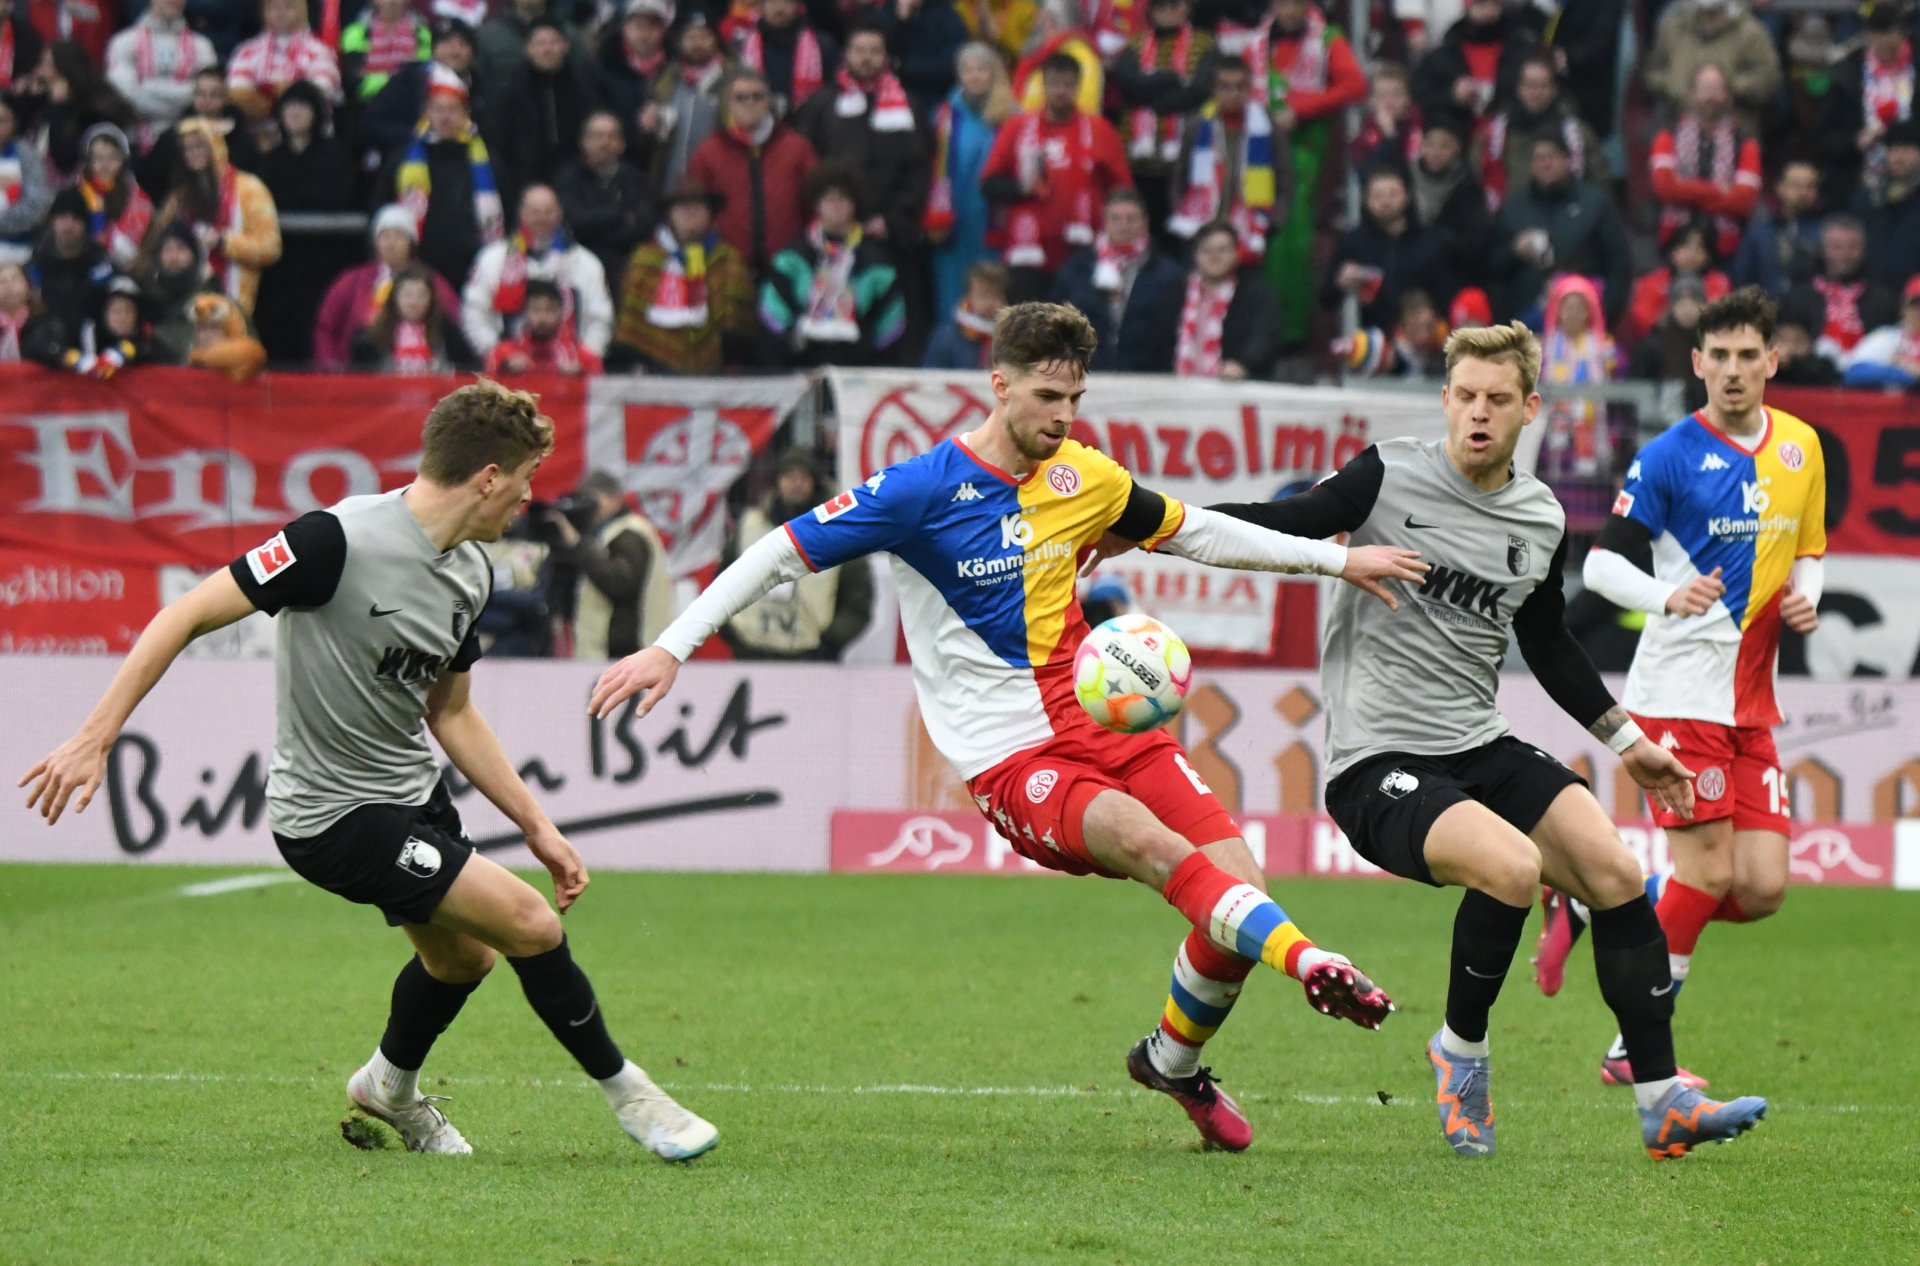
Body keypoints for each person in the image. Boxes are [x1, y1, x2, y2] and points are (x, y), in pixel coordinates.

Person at [588, 302, 1423, 1153]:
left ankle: (1172, 1060)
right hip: (1012, 756)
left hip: (1107, 722)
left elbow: (1197, 534)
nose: (1064, 417)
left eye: (1076, 398)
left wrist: (1338, 560)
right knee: (1154, 849)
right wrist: (671, 647)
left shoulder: (1084, 476)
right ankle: (1315, 962)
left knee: (1240, 890)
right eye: (1048, 395)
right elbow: (777, 553)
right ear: (1000, 384)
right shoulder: (918, 491)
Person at [20, 381, 720, 1164]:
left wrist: (538, 825)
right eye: (522, 483)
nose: (525, 502)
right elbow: (186, 613)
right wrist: (95, 735)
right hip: (329, 816)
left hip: (411, 797)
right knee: (529, 923)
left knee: (463, 958)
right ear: (488, 475)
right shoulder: (333, 541)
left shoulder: (473, 574)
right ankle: (637, 1100)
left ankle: (387, 1089)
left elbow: (451, 713)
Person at [1193, 320, 1770, 1160]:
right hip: (1377, 763)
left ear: (1530, 408)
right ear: (1445, 399)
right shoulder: (1386, 474)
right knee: (1511, 868)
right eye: (1464, 396)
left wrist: (1630, 742)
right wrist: (1148, 523)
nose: (1478, 413)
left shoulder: (1539, 518)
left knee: (1614, 873)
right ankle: (1459, 1057)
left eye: (1498, 400)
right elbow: (1283, 522)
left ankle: (1662, 1099)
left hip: (1479, 745)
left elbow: (1549, 645)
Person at [1537, 287, 1826, 1094]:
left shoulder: (1802, 447)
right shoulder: (1668, 455)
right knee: (1706, 874)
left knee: (1761, 888)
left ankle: (1589, 906)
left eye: (1748, 356)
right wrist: (1666, 594)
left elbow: (1810, 549)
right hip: (1679, 696)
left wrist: (1813, 594)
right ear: (1697, 363)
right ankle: (1635, 1047)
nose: (1733, 371)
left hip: (1751, 703)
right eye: (1719, 357)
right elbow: (1599, 565)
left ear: (1773, 360)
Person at [979, 52, 1130, 302]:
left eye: (1068, 84)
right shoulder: (1017, 128)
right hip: (1026, 255)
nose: (1060, 91)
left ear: (1078, 87)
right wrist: (1023, 189)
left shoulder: (1100, 130)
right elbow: (989, 184)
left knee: (1071, 331)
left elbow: (1122, 190)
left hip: (1081, 252)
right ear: (1043, 85)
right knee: (1028, 331)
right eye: (1054, 83)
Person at [720, 449, 875, 660]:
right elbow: (721, 586)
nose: (796, 484)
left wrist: (830, 643)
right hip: (750, 654)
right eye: (789, 476)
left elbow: (858, 599)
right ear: (777, 481)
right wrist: (735, 635)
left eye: (803, 477)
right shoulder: (750, 528)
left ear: (815, 483)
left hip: (811, 658)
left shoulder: (838, 535)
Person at [758, 162, 906, 366]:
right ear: (816, 205)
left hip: (858, 370)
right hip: (801, 365)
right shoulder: (791, 259)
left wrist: (867, 354)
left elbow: (890, 326)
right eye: (828, 198)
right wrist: (790, 347)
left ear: (854, 204)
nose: (836, 205)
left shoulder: (877, 265)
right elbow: (773, 316)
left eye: (843, 198)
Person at [610, 176, 756, 373]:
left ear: (709, 214)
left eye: (697, 207)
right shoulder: (645, 259)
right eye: (682, 208)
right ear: (669, 214)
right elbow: (631, 321)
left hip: (716, 370)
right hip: (653, 368)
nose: (689, 214)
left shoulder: (727, 259)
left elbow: (738, 321)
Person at [686, 66, 818, 280]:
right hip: (728, 267)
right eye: (741, 97)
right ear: (728, 104)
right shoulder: (708, 151)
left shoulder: (797, 147)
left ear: (768, 102)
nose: (750, 103)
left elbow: (813, 204)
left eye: (757, 96)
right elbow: (696, 208)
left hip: (788, 265)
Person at [461, 183, 613, 360]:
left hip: (570, 371)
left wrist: (586, 359)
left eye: (548, 211)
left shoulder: (586, 263)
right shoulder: (492, 258)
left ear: (559, 212)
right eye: (534, 212)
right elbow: (474, 310)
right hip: (507, 372)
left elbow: (601, 317)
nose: (542, 218)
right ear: (521, 213)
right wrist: (495, 354)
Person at [147, 118, 282, 315]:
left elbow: (271, 248)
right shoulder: (178, 198)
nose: (193, 153)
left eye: (199, 146)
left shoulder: (249, 189)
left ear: (215, 145)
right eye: (186, 149)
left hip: (235, 306)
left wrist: (224, 242)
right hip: (185, 307)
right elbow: (158, 245)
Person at [540, 469, 675, 658]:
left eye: (592, 499)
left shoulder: (630, 533)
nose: (588, 507)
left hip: (627, 650)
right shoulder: (605, 533)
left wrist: (578, 545)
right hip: (613, 651)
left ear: (614, 498)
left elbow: (620, 582)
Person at [315, 203, 465, 369]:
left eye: (398, 236)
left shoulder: (432, 282)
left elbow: (454, 325)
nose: (390, 243)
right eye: (385, 236)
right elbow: (326, 329)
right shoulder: (352, 281)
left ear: (411, 242)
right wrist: (333, 369)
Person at [1050, 187, 1183, 373]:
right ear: (1105, 222)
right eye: (1116, 218)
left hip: (1147, 377)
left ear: (1145, 222)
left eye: (1131, 218)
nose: (1124, 225)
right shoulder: (1077, 268)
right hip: (1087, 374)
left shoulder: (1168, 273)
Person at [1166, 55, 1280, 267]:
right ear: (1214, 89)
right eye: (1225, 87)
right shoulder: (1197, 125)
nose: (1233, 94)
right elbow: (1180, 177)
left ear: (1249, 88)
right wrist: (1184, 214)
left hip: (1251, 233)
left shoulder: (1267, 127)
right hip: (1201, 231)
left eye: (1239, 87)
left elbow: (1284, 179)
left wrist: (1272, 223)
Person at [1649, 63, 1762, 265]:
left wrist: (1685, 189)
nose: (1710, 98)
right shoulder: (1668, 135)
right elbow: (1664, 188)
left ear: (1728, 96)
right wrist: (1719, 191)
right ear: (1691, 94)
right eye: (1704, 90)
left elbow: (1744, 200)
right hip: (1675, 244)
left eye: (1716, 91)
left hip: (1727, 250)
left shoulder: (1745, 142)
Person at [1173, 219, 1282, 379]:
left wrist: (1243, 364)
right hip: (1178, 386)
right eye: (1206, 250)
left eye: (1222, 250)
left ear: (1237, 254)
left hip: (1234, 387)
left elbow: (1264, 338)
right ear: (1195, 255)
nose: (1214, 257)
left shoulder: (1258, 294)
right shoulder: (1178, 291)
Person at [554, 109, 653, 285]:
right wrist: (620, 215)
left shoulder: (635, 179)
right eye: (597, 136)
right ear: (584, 142)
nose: (604, 143)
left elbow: (643, 225)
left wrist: (598, 228)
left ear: (622, 144)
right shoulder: (568, 178)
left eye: (611, 136)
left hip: (626, 262)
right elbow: (575, 222)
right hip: (579, 262)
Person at [104, 0, 219, 150]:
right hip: (136, 146)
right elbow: (129, 98)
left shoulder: (202, 46)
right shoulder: (122, 42)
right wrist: (185, 93)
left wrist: (148, 88)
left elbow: (207, 97)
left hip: (190, 147)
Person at [351, 263, 481, 372]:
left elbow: (469, 367)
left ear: (431, 299)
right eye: (408, 295)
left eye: (421, 295)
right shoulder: (373, 336)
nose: (414, 302)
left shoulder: (445, 330)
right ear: (395, 298)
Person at [226, 0, 344, 119]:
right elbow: (237, 90)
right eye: (274, 7)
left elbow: (322, 89)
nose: (280, 12)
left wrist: (275, 93)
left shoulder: (320, 50)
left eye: (288, 6)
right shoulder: (245, 51)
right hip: (258, 129)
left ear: (301, 10)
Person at [1729, 159, 1821, 300]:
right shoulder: (1759, 233)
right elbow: (1742, 278)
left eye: (1810, 186)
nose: (1803, 192)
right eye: (1796, 185)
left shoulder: (1825, 231)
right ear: (1779, 187)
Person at [485, 276, 602, 375]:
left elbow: (600, 386)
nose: (543, 317)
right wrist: (505, 369)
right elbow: (488, 383)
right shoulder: (503, 353)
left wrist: (581, 374)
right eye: (536, 310)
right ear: (525, 312)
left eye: (550, 310)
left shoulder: (581, 358)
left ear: (562, 313)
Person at [75, 124, 152, 270]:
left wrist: (107, 238)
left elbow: (129, 252)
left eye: (112, 158)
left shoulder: (138, 199)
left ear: (123, 160)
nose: (104, 165)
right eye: (97, 158)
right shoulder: (76, 193)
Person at [341, 0, 432, 103]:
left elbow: (421, 76)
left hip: (409, 104)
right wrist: (399, 78)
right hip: (367, 105)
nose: (392, 2)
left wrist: (376, 77)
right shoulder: (354, 33)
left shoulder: (422, 34)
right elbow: (355, 83)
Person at [1840, 274, 1920, 390]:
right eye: (1915, 305)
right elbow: (1854, 373)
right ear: (1904, 308)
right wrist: (1904, 374)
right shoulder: (1889, 337)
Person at [923, 256, 1005, 369]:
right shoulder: (945, 339)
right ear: (968, 298)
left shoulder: (1010, 339)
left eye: (996, 295)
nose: (991, 303)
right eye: (984, 295)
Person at [0, 96, 52, 266]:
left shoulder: (27, 156)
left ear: (15, 122)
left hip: (19, 251)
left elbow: (37, 207)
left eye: (2, 120)